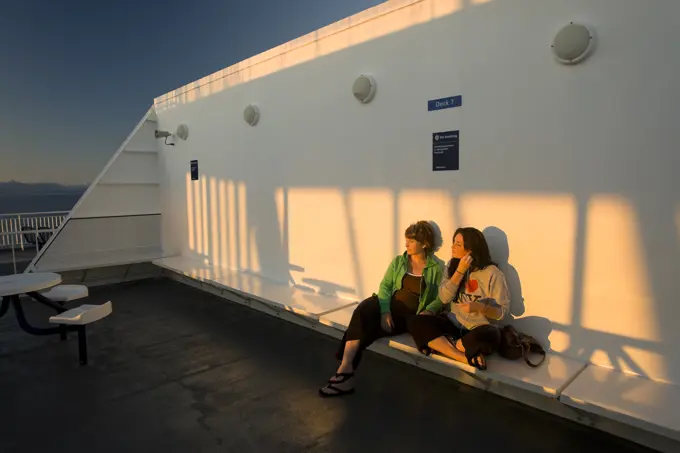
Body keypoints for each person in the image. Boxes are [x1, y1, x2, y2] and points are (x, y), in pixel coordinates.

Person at [318, 221, 444, 397]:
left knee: (366, 328)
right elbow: (385, 286)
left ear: (424, 244)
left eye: (411, 240)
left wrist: (429, 311)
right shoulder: (399, 262)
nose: (406, 244)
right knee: (364, 309)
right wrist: (385, 311)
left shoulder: (436, 268)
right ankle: (345, 368)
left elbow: (441, 297)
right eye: (406, 239)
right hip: (389, 307)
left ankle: (344, 377)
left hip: (409, 317)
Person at [409, 227, 510, 370]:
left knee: (492, 336)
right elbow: (444, 298)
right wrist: (460, 271)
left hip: (478, 329)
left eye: (458, 244)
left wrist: (481, 308)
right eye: (453, 242)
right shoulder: (452, 265)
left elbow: (502, 312)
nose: (452, 247)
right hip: (453, 323)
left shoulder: (493, 274)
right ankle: (462, 357)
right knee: (416, 321)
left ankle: (448, 344)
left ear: (471, 250)